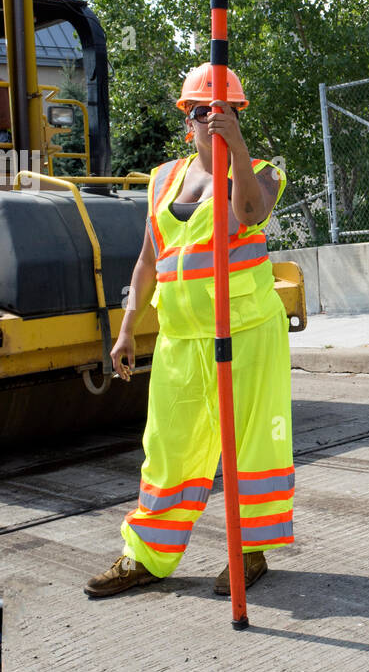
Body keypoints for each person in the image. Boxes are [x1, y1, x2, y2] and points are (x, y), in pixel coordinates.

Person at [85, 62, 294, 599]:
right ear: (187, 119)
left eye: (223, 110)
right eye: (201, 111)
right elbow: (147, 260)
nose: (211, 118)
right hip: (181, 337)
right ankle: (146, 556)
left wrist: (238, 148)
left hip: (246, 332)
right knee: (168, 446)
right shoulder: (162, 178)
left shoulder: (264, 171)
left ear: (237, 115)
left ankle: (249, 552)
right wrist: (128, 325)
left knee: (250, 445)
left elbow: (249, 212)